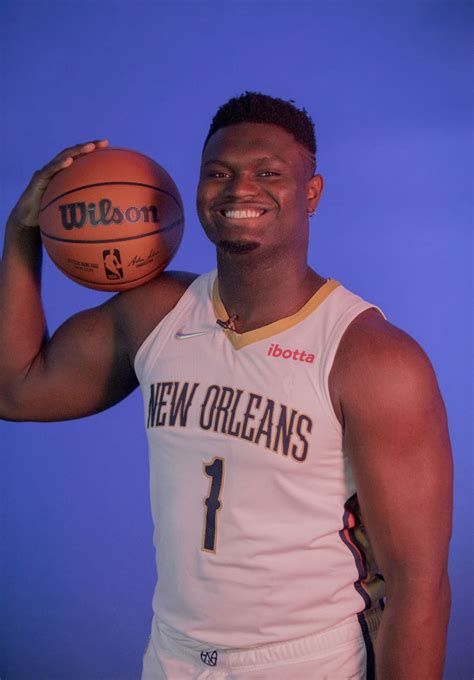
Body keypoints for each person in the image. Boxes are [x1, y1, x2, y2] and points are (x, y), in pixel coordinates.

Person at [0, 93, 452, 679]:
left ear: (311, 193)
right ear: (195, 190)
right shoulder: (157, 314)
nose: (240, 188)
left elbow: (419, 586)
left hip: (305, 660)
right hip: (172, 655)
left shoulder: (373, 358)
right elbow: (15, 389)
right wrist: (21, 233)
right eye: (220, 172)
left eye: (269, 173)